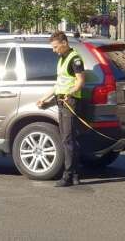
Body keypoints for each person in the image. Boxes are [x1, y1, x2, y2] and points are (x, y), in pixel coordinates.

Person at [36, 31, 86, 187]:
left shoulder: (75, 59)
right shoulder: (62, 59)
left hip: (69, 101)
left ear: (64, 43)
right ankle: (75, 175)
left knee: (67, 139)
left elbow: (80, 81)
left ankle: (68, 175)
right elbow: (59, 83)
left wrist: (68, 93)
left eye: (56, 47)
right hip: (62, 99)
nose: (54, 50)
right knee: (70, 139)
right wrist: (45, 98)